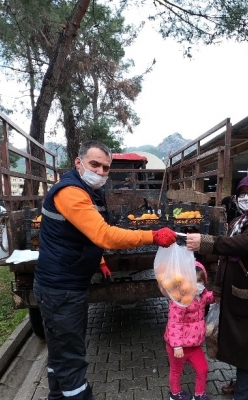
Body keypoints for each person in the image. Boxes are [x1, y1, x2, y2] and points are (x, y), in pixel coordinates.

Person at [33, 140, 177, 400]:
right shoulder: (71, 193)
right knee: (71, 357)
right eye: (94, 165)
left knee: (61, 355)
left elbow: (83, 233)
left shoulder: (90, 191)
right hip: (61, 290)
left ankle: (58, 395)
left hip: (66, 285)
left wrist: (98, 260)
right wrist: (153, 236)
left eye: (105, 168)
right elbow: (104, 235)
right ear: (79, 163)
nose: (100, 172)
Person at [185, 175, 248, 400]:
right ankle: (240, 385)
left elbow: (243, 244)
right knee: (240, 346)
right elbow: (226, 259)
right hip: (238, 297)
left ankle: (244, 394)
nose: (246, 198)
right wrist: (218, 289)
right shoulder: (241, 220)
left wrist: (206, 242)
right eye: (242, 194)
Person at [164, 261, 215, 400]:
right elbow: (174, 323)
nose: (196, 285)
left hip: (194, 345)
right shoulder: (180, 300)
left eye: (200, 281)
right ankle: (175, 394)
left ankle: (199, 394)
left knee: (203, 369)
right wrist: (177, 346)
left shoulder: (202, 295)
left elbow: (210, 297)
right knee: (176, 371)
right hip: (178, 347)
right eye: (192, 281)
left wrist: (218, 295)